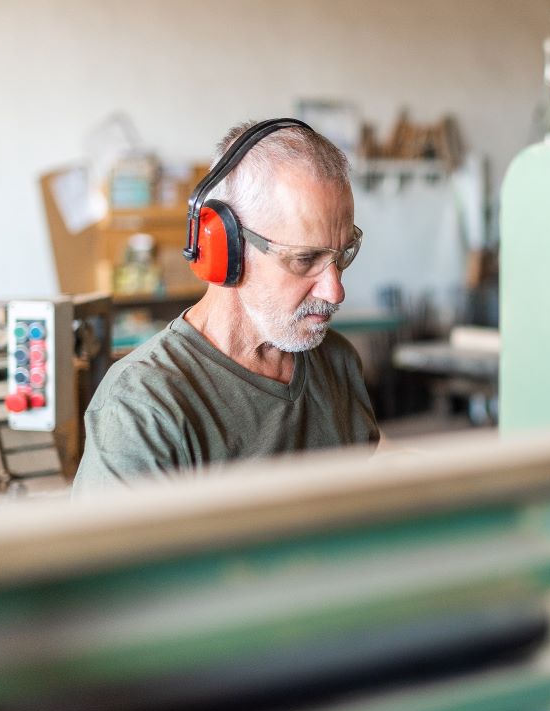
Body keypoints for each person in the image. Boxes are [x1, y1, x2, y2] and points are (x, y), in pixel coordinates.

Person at [73, 120, 379, 495]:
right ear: (226, 247)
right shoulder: (143, 405)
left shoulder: (337, 363)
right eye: (305, 259)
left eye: (343, 254)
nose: (335, 291)